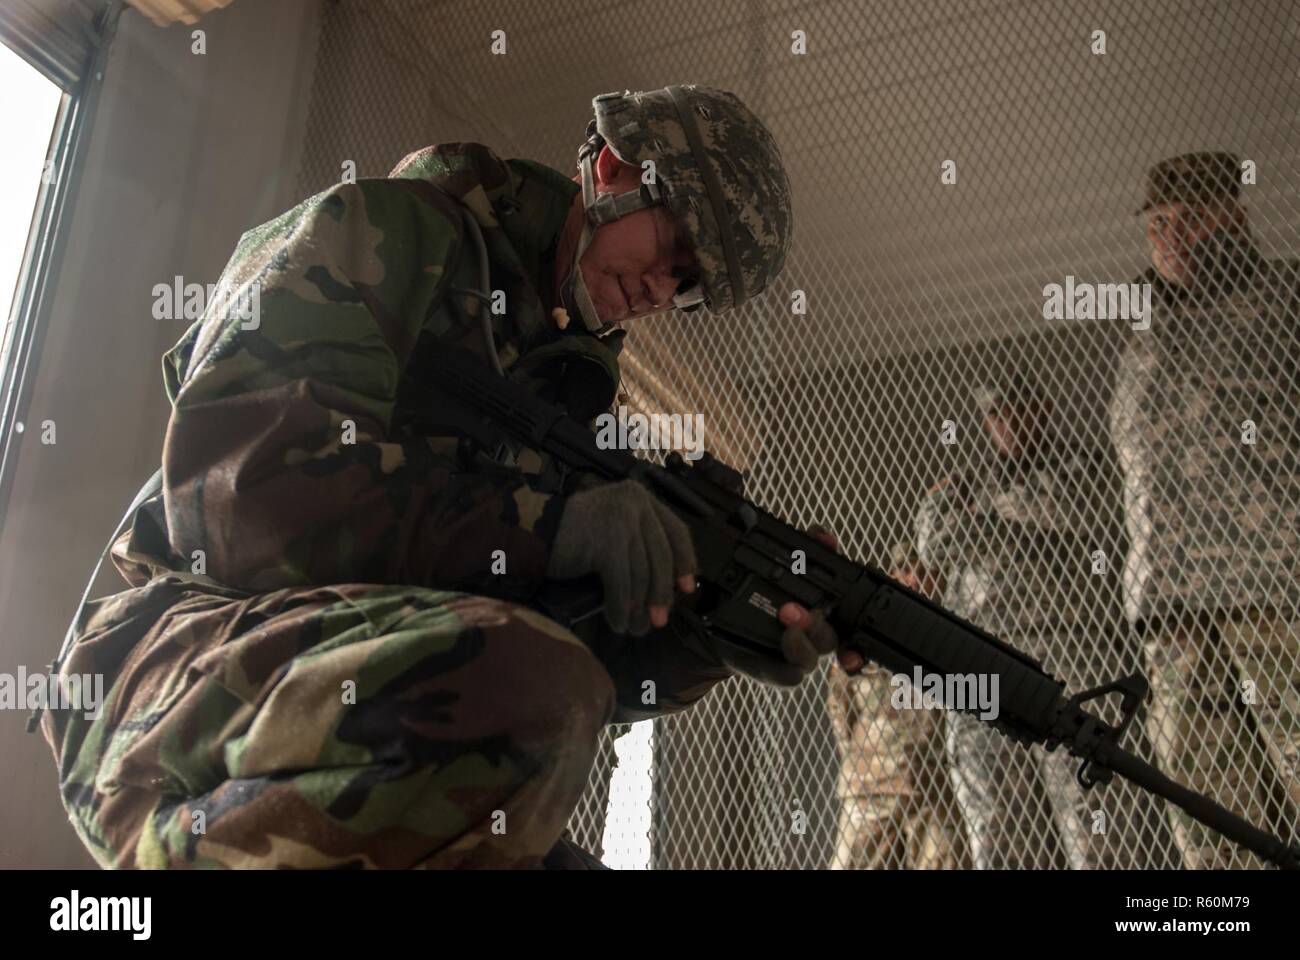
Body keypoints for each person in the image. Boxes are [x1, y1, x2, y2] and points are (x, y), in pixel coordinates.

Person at [40, 85, 844, 868]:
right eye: (671, 249)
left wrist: (707, 632)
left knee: (547, 693)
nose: (660, 289)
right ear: (616, 170)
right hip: (164, 679)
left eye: (687, 284)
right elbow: (243, 503)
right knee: (536, 686)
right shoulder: (385, 231)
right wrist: (549, 530)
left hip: (345, 703)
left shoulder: (572, 393)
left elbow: (563, 673)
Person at [1111, 151, 1300, 868]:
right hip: (1173, 613)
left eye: (1191, 218)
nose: (1171, 235)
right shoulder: (1140, 332)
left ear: (1236, 217)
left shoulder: (1286, 302)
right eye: (1158, 222)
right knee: (1210, 816)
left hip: (1276, 599)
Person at [917, 375, 1141, 868]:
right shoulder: (967, 480)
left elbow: (1075, 513)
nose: (1009, 423)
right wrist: (1009, 523)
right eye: (996, 414)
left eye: (1019, 408)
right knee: (999, 824)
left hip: (1071, 652)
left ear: (1043, 408)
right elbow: (932, 542)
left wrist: (978, 522)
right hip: (985, 657)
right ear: (985, 423)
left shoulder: (1083, 466)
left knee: (1091, 813)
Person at [827, 542, 967, 869]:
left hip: (933, 785)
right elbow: (840, 706)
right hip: (872, 784)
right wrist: (863, 756)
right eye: (904, 571)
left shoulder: (950, 639)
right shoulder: (865, 637)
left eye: (922, 572)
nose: (912, 579)